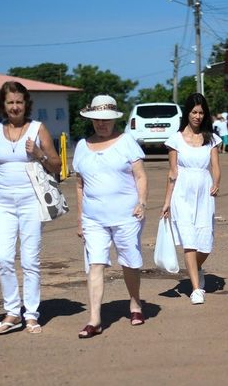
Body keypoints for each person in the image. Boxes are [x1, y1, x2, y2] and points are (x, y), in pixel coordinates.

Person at [0, 80, 61, 335]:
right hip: (2, 203)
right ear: (3, 105)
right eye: (10, 102)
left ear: (26, 104)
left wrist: (38, 153)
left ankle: (32, 314)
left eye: (19, 102)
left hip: (31, 201)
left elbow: (56, 165)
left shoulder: (38, 129)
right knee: (3, 258)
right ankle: (13, 311)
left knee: (31, 260)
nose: (14, 107)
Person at [73, 95, 148, 338]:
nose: (101, 124)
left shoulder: (127, 142)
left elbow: (140, 176)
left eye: (105, 120)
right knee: (95, 263)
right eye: (96, 119)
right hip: (93, 218)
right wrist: (80, 218)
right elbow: (79, 185)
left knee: (129, 261)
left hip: (127, 214)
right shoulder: (82, 146)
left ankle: (135, 303)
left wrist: (142, 201)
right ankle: (94, 319)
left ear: (114, 119)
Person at [161, 93, 221, 305]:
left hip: (204, 192)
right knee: (189, 241)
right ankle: (196, 289)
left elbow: (215, 166)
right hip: (182, 194)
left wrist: (216, 182)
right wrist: (167, 201)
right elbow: (172, 172)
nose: (197, 116)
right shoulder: (175, 139)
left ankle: (196, 268)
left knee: (205, 245)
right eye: (194, 112)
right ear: (187, 113)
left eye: (201, 112)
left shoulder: (211, 138)